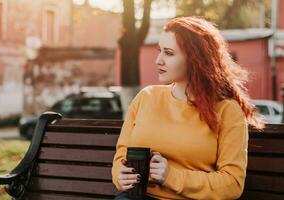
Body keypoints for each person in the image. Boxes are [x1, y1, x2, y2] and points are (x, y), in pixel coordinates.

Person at [111, 16, 265, 200]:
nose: (158, 60)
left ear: (195, 59)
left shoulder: (227, 111)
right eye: (159, 51)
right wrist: (121, 175)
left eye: (168, 53)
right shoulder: (146, 97)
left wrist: (171, 176)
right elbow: (122, 155)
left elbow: (232, 184)